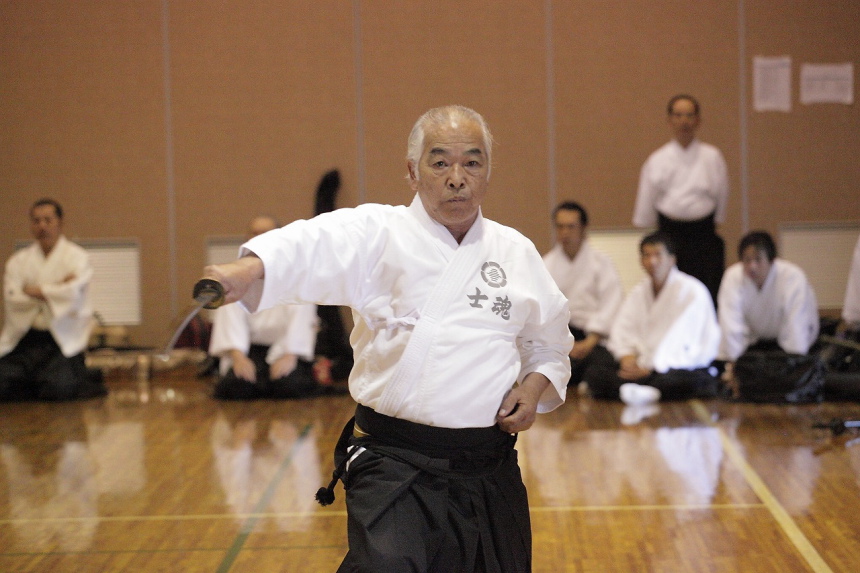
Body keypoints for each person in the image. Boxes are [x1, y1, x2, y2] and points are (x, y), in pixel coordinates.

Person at [202, 105, 573, 572]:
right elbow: (313, 244)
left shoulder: (515, 252)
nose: (457, 178)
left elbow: (549, 342)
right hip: (395, 463)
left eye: (472, 162)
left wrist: (533, 388)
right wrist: (249, 269)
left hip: (488, 466)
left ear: (487, 171)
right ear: (412, 172)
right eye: (440, 162)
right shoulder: (378, 234)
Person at [208, 215, 346, 400]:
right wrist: (239, 358)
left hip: (286, 349)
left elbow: (301, 317)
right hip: (251, 350)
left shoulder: (296, 273)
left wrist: (290, 355)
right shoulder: (236, 275)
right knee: (238, 385)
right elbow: (231, 316)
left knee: (288, 385)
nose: (258, 237)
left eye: (265, 232)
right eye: (254, 233)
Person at [584, 232, 721, 404]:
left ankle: (640, 389)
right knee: (595, 371)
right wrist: (627, 357)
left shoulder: (691, 291)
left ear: (672, 259)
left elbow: (683, 342)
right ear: (641, 261)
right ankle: (649, 390)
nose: (652, 261)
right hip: (640, 364)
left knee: (684, 380)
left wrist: (650, 368)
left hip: (671, 367)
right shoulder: (639, 292)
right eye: (647, 256)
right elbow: (623, 329)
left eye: (658, 255)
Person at [0, 199, 106, 401]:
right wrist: (58, 287)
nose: (42, 226)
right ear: (31, 225)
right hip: (27, 339)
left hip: (61, 340)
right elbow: (13, 297)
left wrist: (34, 290)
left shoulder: (77, 257)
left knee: (59, 389)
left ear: (60, 223)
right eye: (36, 221)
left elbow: (72, 294)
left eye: (48, 220)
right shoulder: (18, 261)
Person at [633, 94, 729, 304]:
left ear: (698, 120)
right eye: (678, 115)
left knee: (708, 293)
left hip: (704, 234)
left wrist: (716, 220)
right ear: (669, 120)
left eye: (689, 115)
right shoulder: (657, 159)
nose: (684, 121)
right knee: (670, 295)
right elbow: (646, 207)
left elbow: (721, 197)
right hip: (670, 235)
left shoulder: (712, 156)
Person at [542, 201, 623, 387]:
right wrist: (564, 344)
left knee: (602, 368)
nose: (565, 232)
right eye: (560, 227)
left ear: (584, 228)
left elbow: (612, 304)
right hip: (561, 339)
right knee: (546, 368)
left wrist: (590, 341)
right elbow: (544, 312)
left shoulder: (601, 262)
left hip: (594, 337)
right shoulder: (546, 264)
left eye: (571, 227)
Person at [717, 231, 819, 362]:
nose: (752, 266)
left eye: (758, 259)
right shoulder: (733, 277)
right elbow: (730, 322)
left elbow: (796, 323)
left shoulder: (792, 277)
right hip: (752, 343)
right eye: (747, 260)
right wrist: (732, 361)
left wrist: (795, 361)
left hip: (786, 344)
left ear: (771, 260)